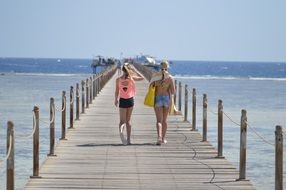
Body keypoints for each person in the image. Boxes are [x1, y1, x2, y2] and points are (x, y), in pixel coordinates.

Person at [114, 62, 144, 145]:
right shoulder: (131, 78)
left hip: (122, 100)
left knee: (122, 121)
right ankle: (129, 140)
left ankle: (121, 132)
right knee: (128, 121)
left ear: (122, 70)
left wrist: (115, 100)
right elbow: (142, 78)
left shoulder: (118, 79)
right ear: (128, 70)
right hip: (130, 100)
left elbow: (117, 91)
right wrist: (135, 70)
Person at [150, 61, 175, 145]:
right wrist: (167, 87)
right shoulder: (170, 78)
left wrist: (157, 85)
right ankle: (164, 139)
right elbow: (173, 91)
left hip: (158, 98)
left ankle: (159, 137)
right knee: (164, 120)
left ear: (159, 68)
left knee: (158, 121)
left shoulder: (156, 76)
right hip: (166, 98)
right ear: (167, 68)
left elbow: (150, 87)